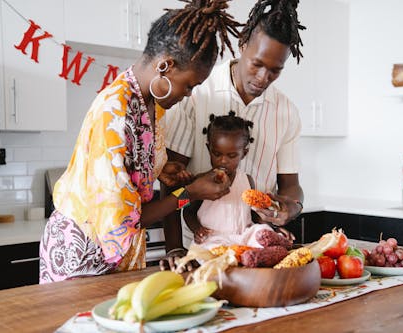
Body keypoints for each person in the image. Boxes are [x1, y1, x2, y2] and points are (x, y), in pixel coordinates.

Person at [38, 0, 241, 284]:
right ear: (165, 66)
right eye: (190, 85)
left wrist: (162, 169)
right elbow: (127, 220)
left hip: (119, 255)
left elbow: (134, 168)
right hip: (82, 258)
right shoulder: (115, 114)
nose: (189, 95)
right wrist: (189, 193)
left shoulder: (154, 104)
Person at [161, 0, 306, 269]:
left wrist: (290, 209)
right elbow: (171, 182)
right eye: (257, 64)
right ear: (242, 45)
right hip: (202, 252)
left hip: (254, 250)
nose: (263, 78)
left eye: (275, 70)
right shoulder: (196, 92)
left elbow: (290, 187)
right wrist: (174, 248)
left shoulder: (286, 112)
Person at [183, 112, 277, 250]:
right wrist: (197, 229)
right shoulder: (201, 181)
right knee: (207, 248)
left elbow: (253, 214)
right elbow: (186, 211)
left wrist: (271, 229)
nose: (223, 161)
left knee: (262, 233)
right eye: (217, 154)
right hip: (213, 239)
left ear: (244, 153)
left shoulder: (247, 180)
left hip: (243, 239)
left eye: (232, 156)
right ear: (209, 149)